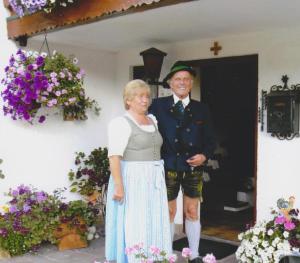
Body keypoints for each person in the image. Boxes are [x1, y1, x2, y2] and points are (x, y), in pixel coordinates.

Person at [149, 62, 216, 263]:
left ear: (192, 83)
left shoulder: (202, 108)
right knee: (169, 211)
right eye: (177, 79)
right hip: (167, 165)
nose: (182, 82)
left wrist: (204, 156)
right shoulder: (157, 105)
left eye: (186, 79)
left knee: (192, 211)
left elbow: (211, 140)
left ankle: (194, 254)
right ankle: (167, 253)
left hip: (193, 167)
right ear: (170, 82)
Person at [105, 79, 172, 263]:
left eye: (147, 96)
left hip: (153, 178)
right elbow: (114, 157)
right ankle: (135, 258)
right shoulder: (120, 123)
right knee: (136, 220)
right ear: (128, 100)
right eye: (139, 96)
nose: (145, 100)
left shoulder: (153, 120)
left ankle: (153, 256)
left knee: (153, 218)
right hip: (133, 178)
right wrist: (119, 186)